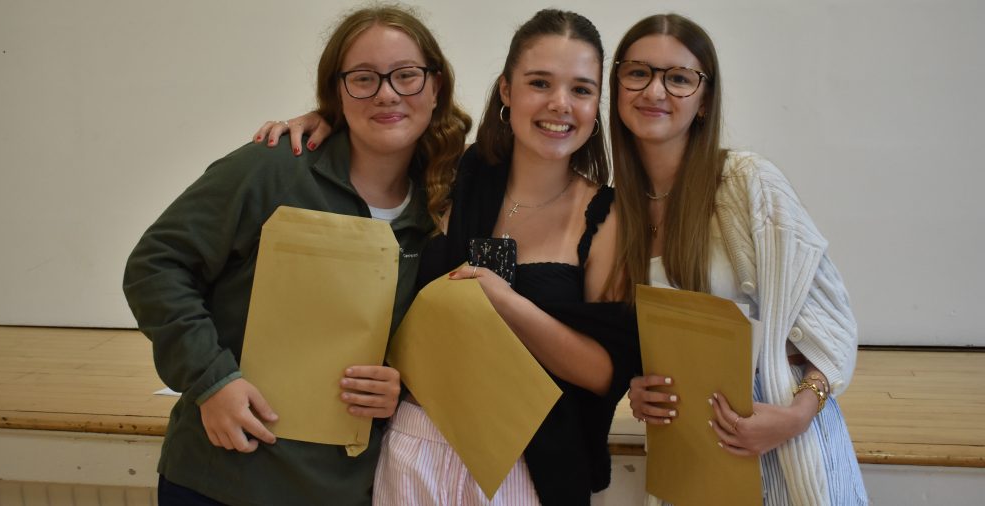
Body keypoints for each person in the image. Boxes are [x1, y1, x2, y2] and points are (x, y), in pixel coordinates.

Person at [256, 10, 640, 506]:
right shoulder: (455, 172)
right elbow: (383, 127)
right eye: (539, 82)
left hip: (527, 461)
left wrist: (502, 300)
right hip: (414, 442)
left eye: (582, 90)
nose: (560, 104)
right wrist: (324, 121)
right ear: (506, 90)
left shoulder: (606, 216)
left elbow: (604, 372)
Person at [122, 6, 471, 505]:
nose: (387, 93)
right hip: (223, 479)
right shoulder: (272, 169)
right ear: (336, 91)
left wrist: (400, 386)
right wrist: (211, 381)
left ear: (436, 87)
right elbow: (155, 266)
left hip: (350, 488)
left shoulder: (443, 207)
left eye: (407, 75)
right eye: (363, 78)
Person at [610, 14, 868, 505]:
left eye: (679, 78)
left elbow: (833, 324)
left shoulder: (747, 182)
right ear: (618, 84)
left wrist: (794, 416)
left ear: (704, 100)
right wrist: (637, 387)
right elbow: (643, 337)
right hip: (692, 449)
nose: (655, 91)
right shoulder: (615, 207)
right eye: (638, 72)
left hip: (785, 438)